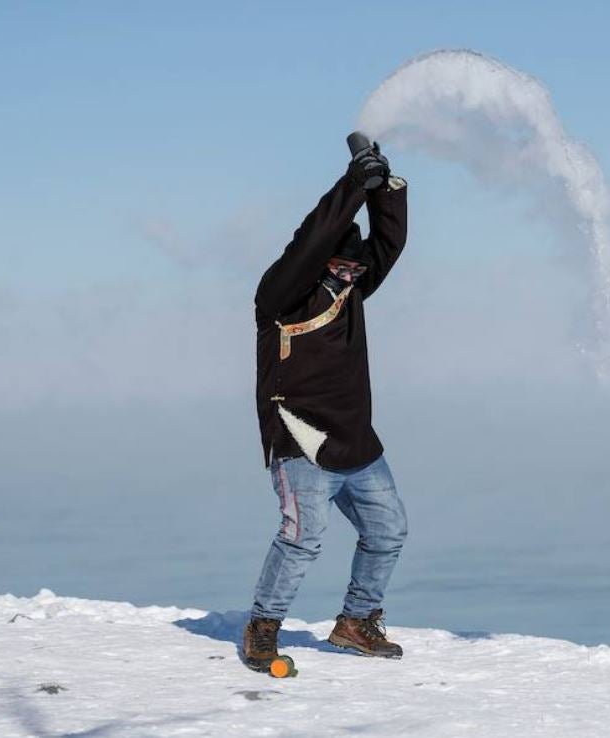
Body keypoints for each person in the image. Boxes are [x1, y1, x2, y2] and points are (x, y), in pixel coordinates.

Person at [243, 137, 409, 672]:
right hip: (301, 440)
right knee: (303, 537)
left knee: (387, 530)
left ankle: (355, 624)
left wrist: (385, 189)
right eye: (342, 268)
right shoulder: (280, 295)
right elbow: (312, 240)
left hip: (356, 441)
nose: (352, 277)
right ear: (323, 262)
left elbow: (387, 244)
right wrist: (352, 183)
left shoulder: (352, 289)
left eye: (356, 271)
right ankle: (262, 629)